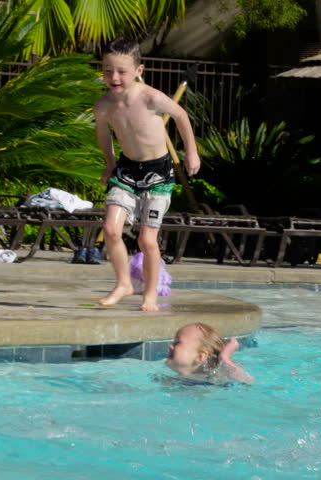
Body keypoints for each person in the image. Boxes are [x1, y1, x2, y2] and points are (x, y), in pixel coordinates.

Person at [94, 37, 200, 311]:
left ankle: (150, 294)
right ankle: (123, 283)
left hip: (158, 174)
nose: (114, 77)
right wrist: (109, 163)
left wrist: (191, 153)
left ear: (139, 71)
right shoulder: (103, 106)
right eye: (107, 70)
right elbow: (103, 134)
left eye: (121, 71)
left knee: (146, 240)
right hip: (127, 170)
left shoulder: (151, 98)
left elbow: (181, 116)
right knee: (110, 229)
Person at [165, 322, 254, 384]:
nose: (170, 346)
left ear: (200, 356)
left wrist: (224, 358)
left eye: (177, 343)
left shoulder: (214, 380)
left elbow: (247, 382)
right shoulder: (169, 380)